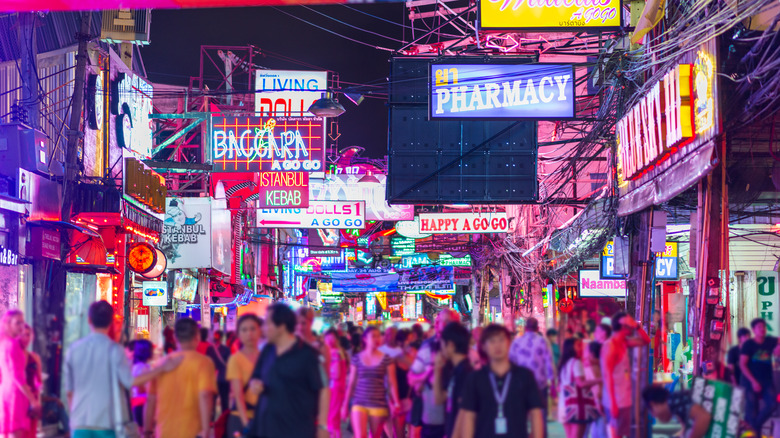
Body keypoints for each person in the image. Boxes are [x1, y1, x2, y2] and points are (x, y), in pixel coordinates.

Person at [64, 301, 182, 438]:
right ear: (111, 322)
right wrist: (160, 369)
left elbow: (69, 392)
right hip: (107, 422)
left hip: (80, 423)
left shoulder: (74, 350)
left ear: (89, 319)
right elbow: (130, 382)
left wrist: (74, 417)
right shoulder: (115, 350)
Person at [247, 302, 329, 438]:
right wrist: (254, 384)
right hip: (266, 428)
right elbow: (256, 377)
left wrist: (322, 426)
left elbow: (323, 388)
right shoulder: (267, 351)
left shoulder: (308, 355)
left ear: (281, 326)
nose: (263, 328)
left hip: (296, 429)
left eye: (267, 323)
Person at [457, 324, 544, 438]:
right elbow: (469, 417)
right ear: (483, 346)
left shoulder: (524, 376)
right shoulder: (475, 379)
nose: (497, 345)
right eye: (492, 341)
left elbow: (535, 413)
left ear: (509, 342)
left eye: (501, 340)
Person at [145, 318, 217, 438]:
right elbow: (205, 396)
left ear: (174, 337)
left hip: (164, 430)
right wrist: (206, 430)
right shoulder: (204, 363)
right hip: (192, 431)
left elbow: (151, 400)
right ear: (197, 336)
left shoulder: (161, 364)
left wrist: (147, 431)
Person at [342, 327, 401, 438]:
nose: (376, 339)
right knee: (360, 435)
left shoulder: (386, 358)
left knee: (375, 436)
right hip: (359, 401)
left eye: (378, 336)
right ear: (365, 339)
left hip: (378, 403)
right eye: (373, 336)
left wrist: (396, 403)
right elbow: (351, 383)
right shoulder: (357, 358)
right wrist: (345, 405)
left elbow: (392, 382)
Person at [409, 310, 458, 438]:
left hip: (458, 415)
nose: (438, 324)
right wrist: (426, 375)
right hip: (433, 416)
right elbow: (411, 378)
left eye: (445, 321)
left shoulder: (464, 347)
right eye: (438, 321)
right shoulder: (428, 346)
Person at [601, 312, 651, 438]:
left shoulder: (624, 342)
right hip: (615, 401)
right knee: (615, 434)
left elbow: (646, 340)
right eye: (629, 324)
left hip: (624, 399)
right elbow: (607, 376)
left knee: (622, 433)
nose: (632, 326)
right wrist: (613, 403)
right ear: (623, 326)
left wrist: (637, 326)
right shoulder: (610, 346)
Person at [509, 317, 555, 434]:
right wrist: (553, 384)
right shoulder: (543, 341)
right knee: (541, 418)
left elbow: (510, 364)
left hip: (519, 385)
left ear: (525, 328)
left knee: (520, 418)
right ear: (538, 328)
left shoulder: (517, 342)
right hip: (539, 385)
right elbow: (549, 363)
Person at [740, 318, 780, 433]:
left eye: (763, 327)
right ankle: (754, 431)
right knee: (751, 411)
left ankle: (754, 427)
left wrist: (778, 347)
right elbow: (743, 365)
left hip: (766, 380)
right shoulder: (749, 344)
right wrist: (753, 382)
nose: (762, 329)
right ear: (753, 330)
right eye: (759, 327)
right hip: (749, 381)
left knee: (772, 404)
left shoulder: (770, 341)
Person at [433, 322, 473, 438]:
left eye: (442, 344)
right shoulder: (456, 371)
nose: (441, 349)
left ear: (450, 345)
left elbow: (465, 414)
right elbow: (439, 399)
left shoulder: (464, 373)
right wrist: (437, 369)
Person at [0, 310, 36, 438]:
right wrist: (33, 400)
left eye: (22, 322)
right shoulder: (13, 344)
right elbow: (18, 377)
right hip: (16, 396)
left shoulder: (3, 343)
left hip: (5, 393)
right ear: (8, 323)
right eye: (18, 323)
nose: (21, 326)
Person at [226, 314, 263, 438]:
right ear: (239, 334)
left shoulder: (266, 357)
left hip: (263, 418)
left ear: (260, 331)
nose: (249, 334)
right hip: (240, 419)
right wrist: (248, 426)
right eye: (244, 330)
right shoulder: (235, 360)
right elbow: (238, 396)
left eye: (253, 329)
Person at [557, 338, 600, 438]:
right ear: (570, 348)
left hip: (563, 405)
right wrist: (600, 380)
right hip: (575, 406)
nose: (581, 348)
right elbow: (580, 383)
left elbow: (559, 387)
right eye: (578, 345)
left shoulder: (563, 364)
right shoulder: (576, 363)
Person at [641, 385, 712, 438]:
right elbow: (686, 429)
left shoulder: (674, 401)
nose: (654, 415)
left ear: (653, 404)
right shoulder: (674, 405)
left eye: (652, 410)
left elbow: (704, 417)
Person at [393, 329, 417, 438]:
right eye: (409, 340)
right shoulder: (393, 357)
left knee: (414, 433)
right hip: (398, 400)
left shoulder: (415, 354)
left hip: (413, 398)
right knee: (399, 434)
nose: (411, 343)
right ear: (400, 342)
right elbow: (390, 381)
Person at [325, 328, 349, 438]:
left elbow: (336, 374)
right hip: (338, 388)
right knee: (335, 420)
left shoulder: (335, 353)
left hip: (335, 388)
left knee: (331, 419)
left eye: (332, 337)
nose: (329, 339)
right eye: (327, 337)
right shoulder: (339, 351)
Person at [20, 323, 42, 438]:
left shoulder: (35, 357)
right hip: (18, 402)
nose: (26, 338)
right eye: (23, 335)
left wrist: (37, 398)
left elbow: (39, 381)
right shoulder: (10, 356)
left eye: (28, 335)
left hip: (32, 403)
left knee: (31, 434)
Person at [585, 342, 607, 438]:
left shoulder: (590, 365)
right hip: (599, 401)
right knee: (600, 432)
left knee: (586, 432)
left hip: (592, 401)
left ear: (591, 352)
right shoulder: (602, 364)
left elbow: (599, 385)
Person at [130, 339, 154, 427]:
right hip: (142, 404)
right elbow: (141, 388)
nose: (153, 352)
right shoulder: (143, 368)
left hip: (137, 403)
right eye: (151, 349)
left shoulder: (136, 366)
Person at [213, 330, 232, 414]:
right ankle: (224, 420)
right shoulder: (226, 349)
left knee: (213, 401)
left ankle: (211, 420)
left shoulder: (211, 349)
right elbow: (229, 363)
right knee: (225, 401)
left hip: (214, 378)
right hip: (224, 378)